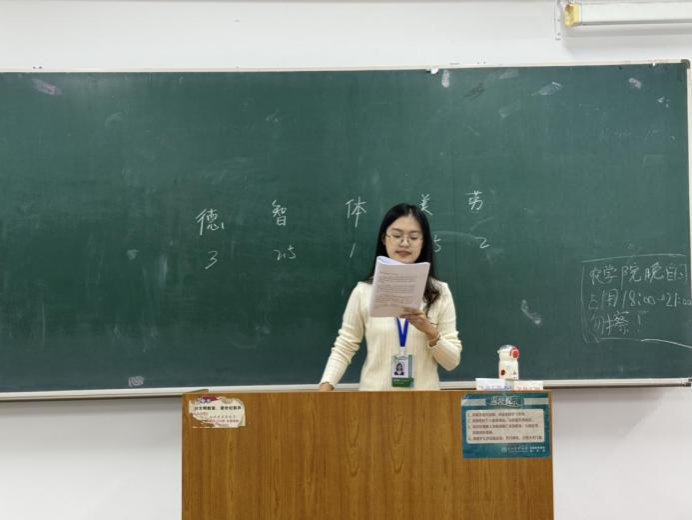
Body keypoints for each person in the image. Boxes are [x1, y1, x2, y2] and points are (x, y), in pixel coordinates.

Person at [319, 202, 462, 391]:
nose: (405, 243)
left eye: (413, 237)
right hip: (373, 401)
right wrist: (324, 388)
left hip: (425, 403)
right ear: (384, 239)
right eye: (396, 235)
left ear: (423, 242)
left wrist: (429, 330)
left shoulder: (439, 292)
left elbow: (452, 362)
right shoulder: (363, 291)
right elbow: (344, 346)